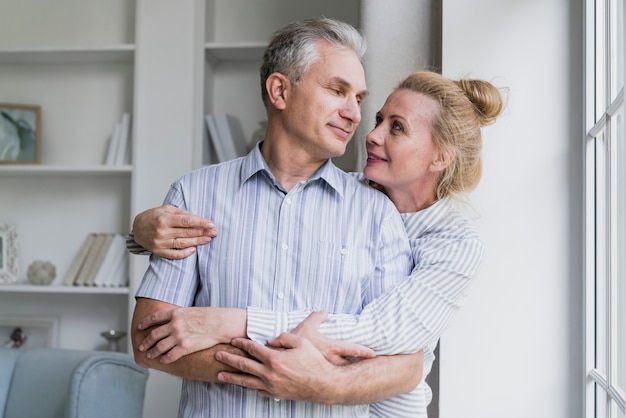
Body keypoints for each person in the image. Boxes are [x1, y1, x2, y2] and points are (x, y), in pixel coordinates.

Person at [131, 70, 505, 417]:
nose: (371, 135)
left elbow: (382, 336)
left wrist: (231, 322)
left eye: (397, 128)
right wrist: (139, 233)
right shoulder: (353, 194)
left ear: (440, 157)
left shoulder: (455, 244)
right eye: (378, 120)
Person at [131, 17, 421, 418]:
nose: (354, 113)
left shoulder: (377, 212)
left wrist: (312, 380)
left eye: (358, 98)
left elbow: (404, 364)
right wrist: (273, 368)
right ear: (280, 90)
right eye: (338, 90)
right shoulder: (194, 195)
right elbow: (148, 340)